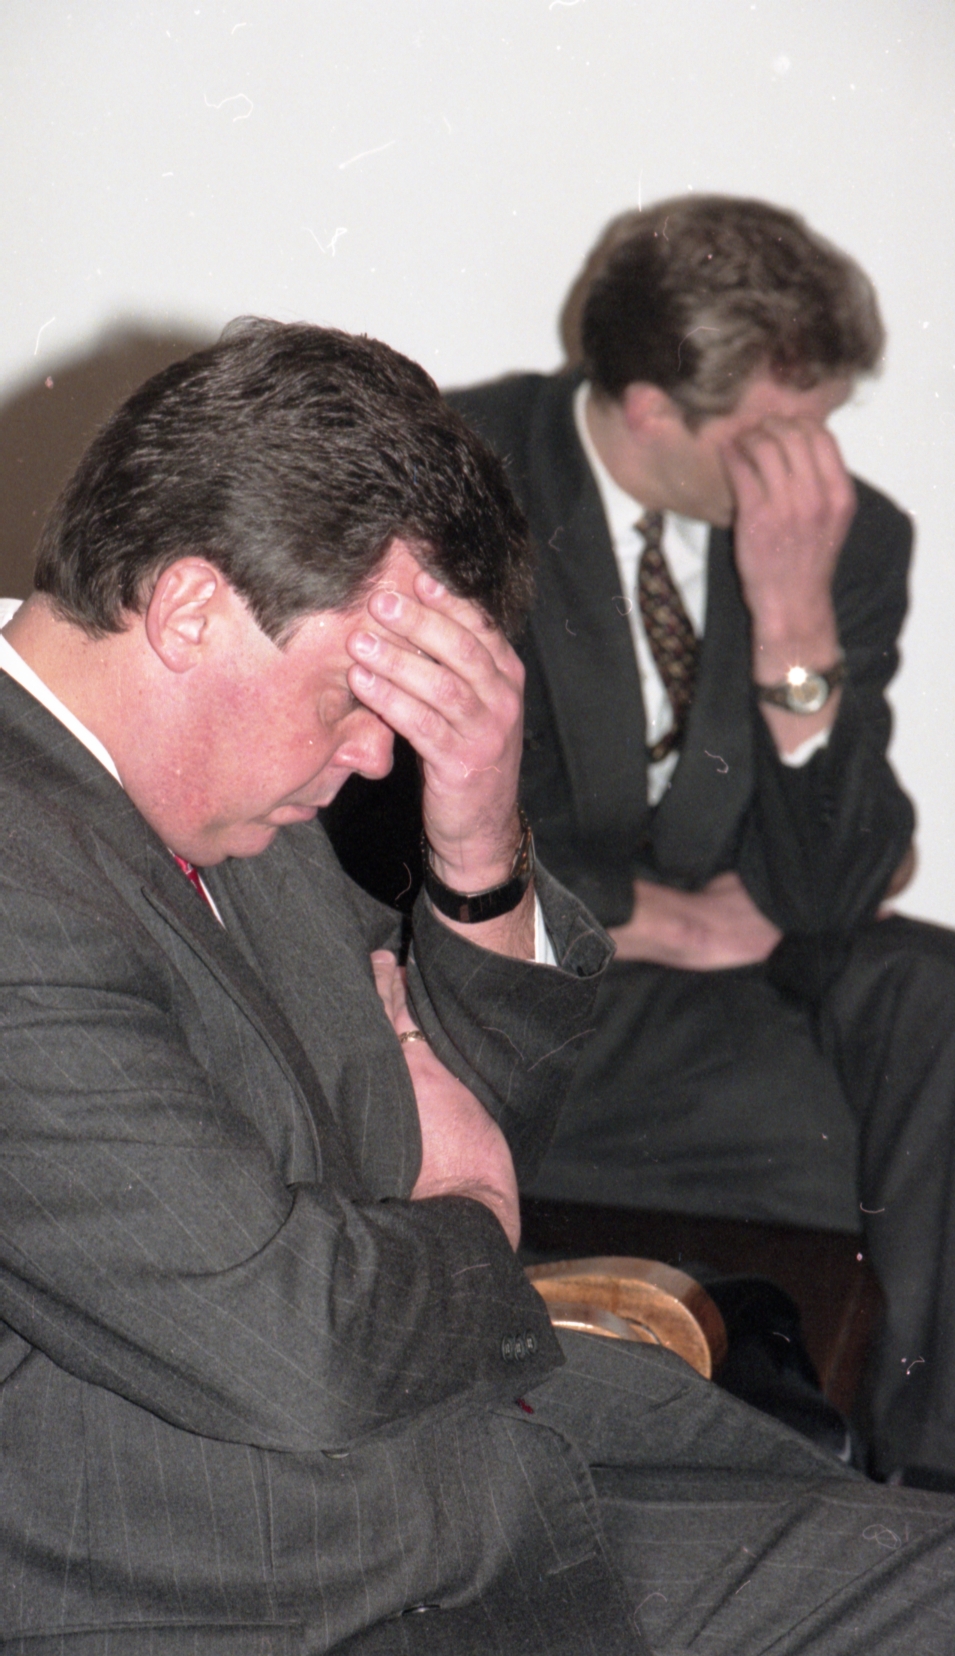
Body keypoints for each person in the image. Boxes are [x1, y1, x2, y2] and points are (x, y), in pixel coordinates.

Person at [6, 317, 955, 1656]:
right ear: (190, 607)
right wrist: (467, 1214)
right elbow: (304, 1341)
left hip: (469, 1481)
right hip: (276, 1582)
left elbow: (463, 1117)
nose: (375, 753)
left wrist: (475, 852)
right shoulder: (23, 876)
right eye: (353, 696)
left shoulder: (220, 805)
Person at [325, 196, 955, 1487]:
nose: (815, 465)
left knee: (932, 999)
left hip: (734, 981)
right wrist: (650, 913)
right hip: (523, 978)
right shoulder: (455, 484)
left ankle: (928, 1476)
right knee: (854, 1134)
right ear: (651, 407)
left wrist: (795, 629)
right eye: (776, 431)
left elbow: (834, 881)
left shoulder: (848, 541)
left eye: (827, 418)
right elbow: (392, 801)